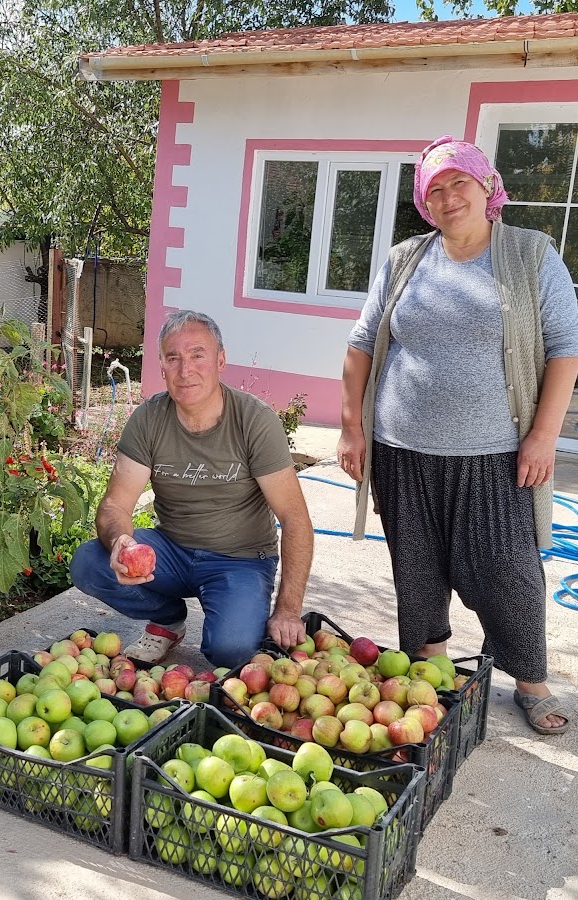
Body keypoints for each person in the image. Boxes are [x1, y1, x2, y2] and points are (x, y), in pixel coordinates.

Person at [338, 135, 578, 735]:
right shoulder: (405, 259)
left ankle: (529, 680)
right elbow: (362, 344)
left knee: (508, 571)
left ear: (487, 187)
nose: (448, 197)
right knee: (416, 568)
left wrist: (543, 435)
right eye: (435, 189)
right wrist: (351, 429)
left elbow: (564, 352)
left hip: (493, 453)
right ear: (424, 202)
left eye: (459, 183)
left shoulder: (530, 255)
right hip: (400, 449)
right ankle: (429, 667)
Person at [70, 309, 314, 668]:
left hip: (240, 560)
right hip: (173, 552)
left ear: (220, 360)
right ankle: (168, 620)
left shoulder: (254, 420)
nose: (186, 370)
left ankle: (237, 615)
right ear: (162, 366)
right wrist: (122, 542)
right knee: (91, 563)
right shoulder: (150, 419)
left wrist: (289, 611)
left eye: (198, 355)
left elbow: (295, 519)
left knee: (229, 651)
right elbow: (114, 507)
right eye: (174, 358)